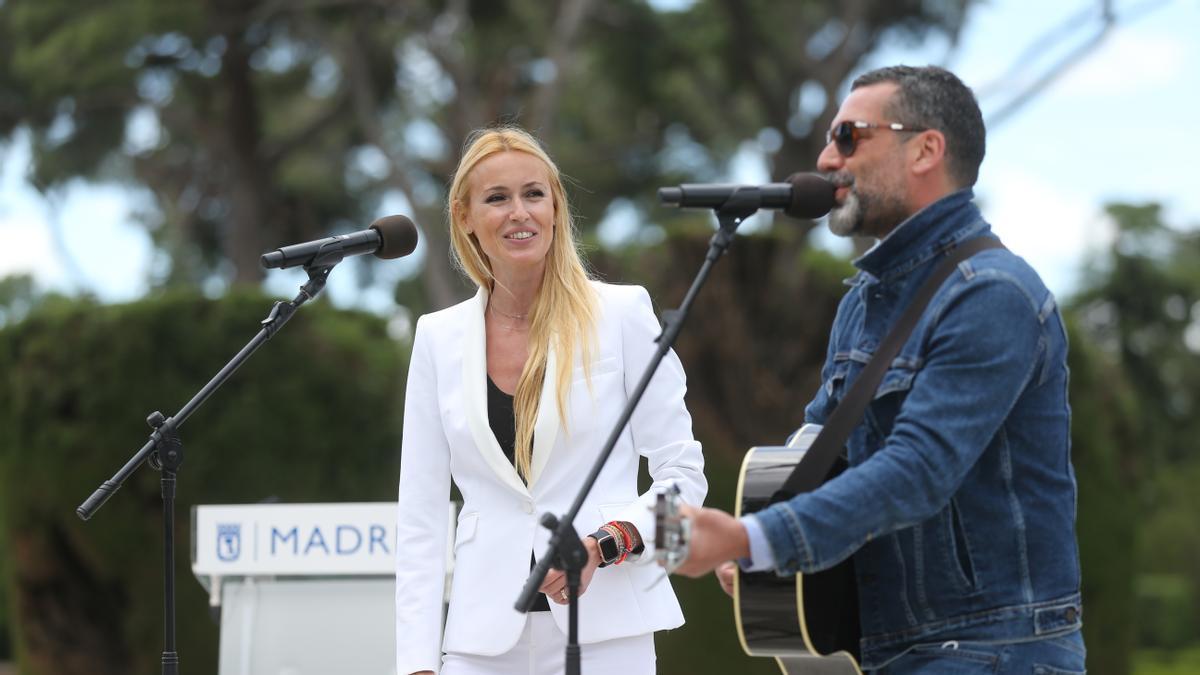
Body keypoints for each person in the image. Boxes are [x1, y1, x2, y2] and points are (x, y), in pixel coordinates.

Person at [675, 65, 1086, 673]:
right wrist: (768, 530)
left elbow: (917, 469)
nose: (824, 157)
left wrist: (752, 539)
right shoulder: (862, 301)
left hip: (994, 648)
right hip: (883, 648)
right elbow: (817, 448)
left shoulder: (993, 295)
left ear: (925, 149)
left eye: (848, 137)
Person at [394, 125, 707, 675]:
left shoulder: (625, 312)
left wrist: (608, 544)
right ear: (465, 218)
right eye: (497, 198)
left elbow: (687, 478)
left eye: (533, 194)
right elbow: (420, 516)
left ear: (556, 207)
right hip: (479, 639)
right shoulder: (436, 336)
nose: (519, 212)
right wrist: (416, 662)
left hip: (610, 629)